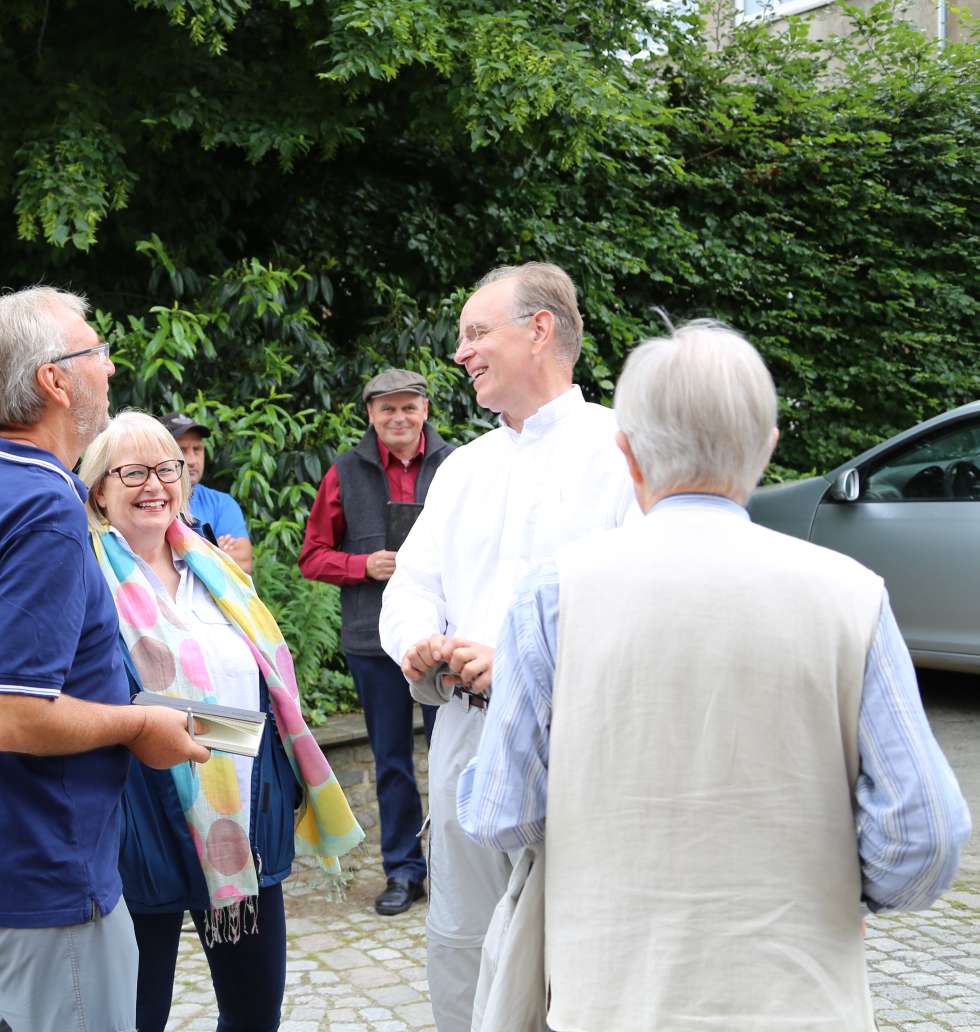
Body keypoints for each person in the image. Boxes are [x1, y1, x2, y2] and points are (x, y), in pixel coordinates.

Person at [458, 320, 972, 1031]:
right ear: (766, 450)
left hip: (613, 998)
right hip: (801, 1000)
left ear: (627, 455)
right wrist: (838, 894)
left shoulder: (553, 595)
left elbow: (498, 811)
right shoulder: (852, 593)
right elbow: (925, 836)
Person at [0, 287, 210, 1032]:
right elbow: (9, 715)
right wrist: (138, 726)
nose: (108, 365)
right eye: (95, 350)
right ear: (54, 381)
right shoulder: (43, 507)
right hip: (38, 872)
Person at [378, 263, 636, 1028]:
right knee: (462, 938)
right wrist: (418, 641)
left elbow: (646, 600)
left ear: (540, 328)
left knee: (577, 946)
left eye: (476, 332)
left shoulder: (623, 449)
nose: (461, 353)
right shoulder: (464, 468)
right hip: (466, 738)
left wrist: (526, 664)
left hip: (579, 745)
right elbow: (412, 583)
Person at [79, 411, 364, 1032]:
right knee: (135, 1014)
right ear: (99, 489)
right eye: (133, 471)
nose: (155, 483)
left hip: (242, 813)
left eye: (167, 468)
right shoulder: (82, 577)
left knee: (255, 1012)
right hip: (139, 816)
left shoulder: (214, 568)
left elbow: (267, 688)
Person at [299, 369, 454, 916]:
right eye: (386, 409)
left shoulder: (458, 466)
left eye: (408, 407)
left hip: (449, 639)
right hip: (374, 639)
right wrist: (362, 564)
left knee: (455, 753)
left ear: (425, 411)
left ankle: (456, 872)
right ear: (370, 415)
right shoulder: (345, 472)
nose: (398, 418)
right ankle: (404, 872)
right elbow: (312, 555)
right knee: (391, 760)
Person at [163, 412, 254, 574]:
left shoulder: (222, 503)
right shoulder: (151, 503)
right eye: (182, 450)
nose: (192, 460)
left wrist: (182, 553)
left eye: (197, 449)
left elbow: (244, 562)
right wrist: (215, 548)